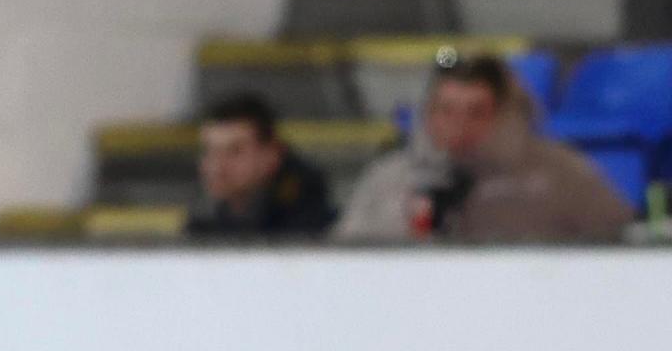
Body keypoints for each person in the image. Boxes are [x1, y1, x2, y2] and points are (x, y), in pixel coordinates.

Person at [335, 53, 633, 242]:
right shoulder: (390, 179)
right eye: (446, 111)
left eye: (476, 113)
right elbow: (344, 256)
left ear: (504, 116)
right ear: (427, 114)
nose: (458, 125)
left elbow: (621, 243)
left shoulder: (560, 174)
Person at [186, 93, 334, 238]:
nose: (216, 166)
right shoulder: (203, 218)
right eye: (209, 151)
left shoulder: (308, 223)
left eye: (235, 151)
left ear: (272, 155)